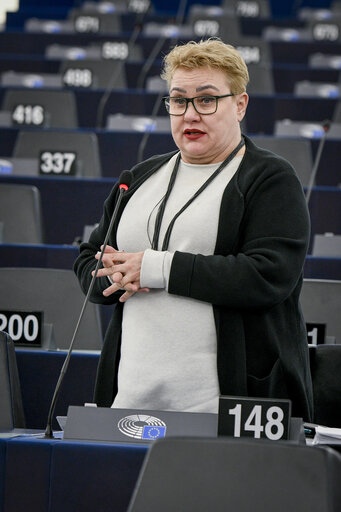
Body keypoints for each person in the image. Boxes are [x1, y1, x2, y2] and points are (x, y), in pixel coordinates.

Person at [74, 38, 313, 421]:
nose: (189, 115)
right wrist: (112, 274)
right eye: (179, 100)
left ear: (240, 105)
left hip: (225, 406)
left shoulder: (270, 178)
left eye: (206, 100)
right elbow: (88, 260)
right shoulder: (138, 178)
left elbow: (268, 275)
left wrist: (155, 268)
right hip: (130, 398)